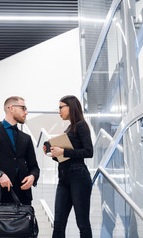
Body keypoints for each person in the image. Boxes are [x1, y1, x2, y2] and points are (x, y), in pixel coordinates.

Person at [44, 95, 93, 238]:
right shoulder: (69, 128)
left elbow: (89, 152)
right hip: (64, 177)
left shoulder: (81, 125)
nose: (59, 111)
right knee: (58, 222)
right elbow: (67, 157)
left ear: (70, 107)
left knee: (82, 222)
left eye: (61, 107)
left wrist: (63, 151)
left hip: (79, 177)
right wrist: (54, 154)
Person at [0, 96, 40, 205]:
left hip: (23, 195)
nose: (26, 112)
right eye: (23, 108)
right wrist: (0, 174)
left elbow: (34, 167)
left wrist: (32, 176)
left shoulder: (26, 138)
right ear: (11, 108)